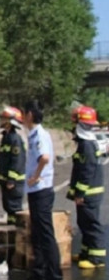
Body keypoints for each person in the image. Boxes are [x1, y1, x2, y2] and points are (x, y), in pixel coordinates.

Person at [22, 100, 62, 280]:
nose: (22, 117)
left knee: (45, 235)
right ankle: (39, 271)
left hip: (41, 190)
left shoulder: (39, 134)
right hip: (35, 191)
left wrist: (36, 175)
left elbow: (44, 157)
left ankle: (54, 274)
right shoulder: (33, 134)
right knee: (37, 233)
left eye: (24, 113)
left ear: (30, 115)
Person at [67, 105, 106, 269]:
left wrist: (80, 192)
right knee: (83, 223)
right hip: (88, 193)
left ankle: (97, 258)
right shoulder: (86, 143)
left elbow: (86, 172)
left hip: (89, 193)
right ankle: (86, 252)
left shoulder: (87, 146)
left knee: (91, 224)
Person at [0, 105, 26, 225]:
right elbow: (1, 158)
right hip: (6, 181)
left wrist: (11, 179)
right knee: (8, 207)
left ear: (10, 122)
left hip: (14, 183)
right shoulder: (6, 138)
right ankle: (12, 229)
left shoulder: (15, 139)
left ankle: (18, 232)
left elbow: (17, 161)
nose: (2, 120)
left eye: (4, 118)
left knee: (14, 208)